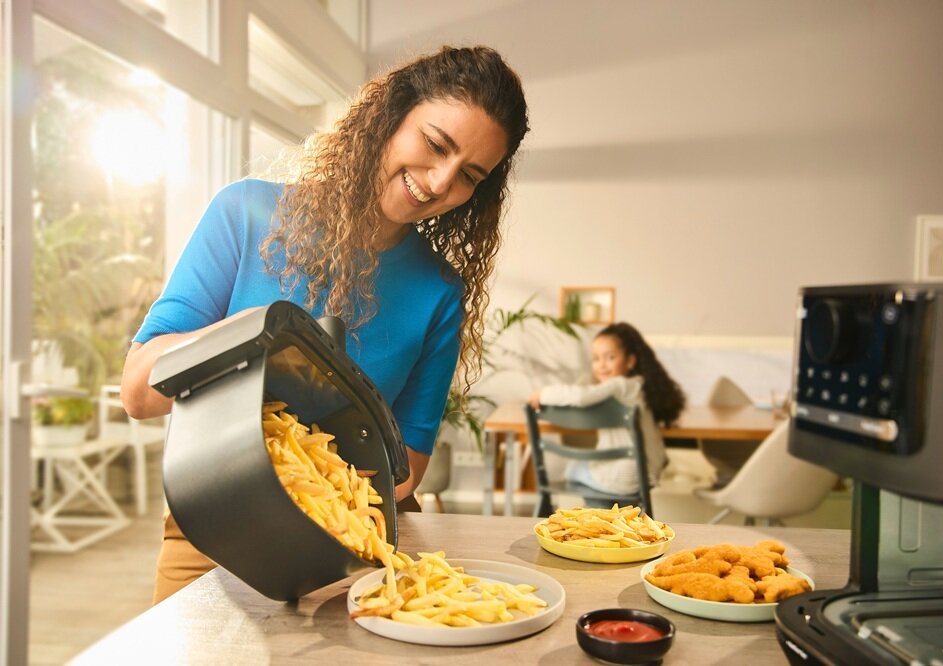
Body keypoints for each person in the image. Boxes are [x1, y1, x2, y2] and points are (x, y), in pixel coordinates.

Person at [120, 45, 529, 602]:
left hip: (350, 547)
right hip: (211, 531)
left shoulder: (440, 293)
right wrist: (258, 336)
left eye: (469, 176)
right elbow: (140, 393)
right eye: (435, 145)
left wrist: (318, 489)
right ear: (388, 117)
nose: (439, 183)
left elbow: (406, 469)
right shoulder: (244, 216)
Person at [528, 322, 685, 503]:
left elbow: (580, 397)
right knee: (594, 469)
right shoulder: (638, 386)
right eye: (596, 359)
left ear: (630, 361)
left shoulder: (619, 385)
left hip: (622, 475)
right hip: (642, 475)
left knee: (572, 468)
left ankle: (600, 517)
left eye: (610, 357)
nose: (602, 365)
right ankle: (615, 516)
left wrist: (543, 393)